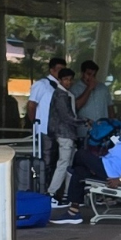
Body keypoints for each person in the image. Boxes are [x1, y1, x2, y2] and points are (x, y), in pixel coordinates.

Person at [45, 63, 83, 219]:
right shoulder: (60, 94)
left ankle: (67, 194)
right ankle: (52, 194)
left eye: (70, 79)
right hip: (64, 133)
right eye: (65, 79)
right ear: (60, 80)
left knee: (68, 165)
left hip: (69, 133)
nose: (68, 82)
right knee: (63, 163)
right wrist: (83, 121)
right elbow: (66, 116)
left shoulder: (65, 93)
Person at [75, 59, 113, 127]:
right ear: (82, 73)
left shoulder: (103, 88)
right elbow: (76, 106)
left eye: (94, 75)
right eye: (88, 74)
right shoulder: (75, 88)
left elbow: (110, 107)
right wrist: (89, 88)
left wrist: (112, 124)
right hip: (84, 130)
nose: (91, 77)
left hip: (103, 129)